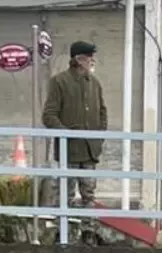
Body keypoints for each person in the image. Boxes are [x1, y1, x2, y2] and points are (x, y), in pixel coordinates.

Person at [42, 40, 108, 208]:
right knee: (65, 196)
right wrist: (65, 134)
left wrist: (99, 137)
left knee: (89, 197)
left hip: (90, 150)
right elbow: (49, 115)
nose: (92, 61)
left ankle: (88, 231)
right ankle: (63, 231)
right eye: (88, 58)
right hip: (69, 150)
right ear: (78, 59)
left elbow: (102, 112)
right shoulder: (59, 82)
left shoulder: (95, 83)